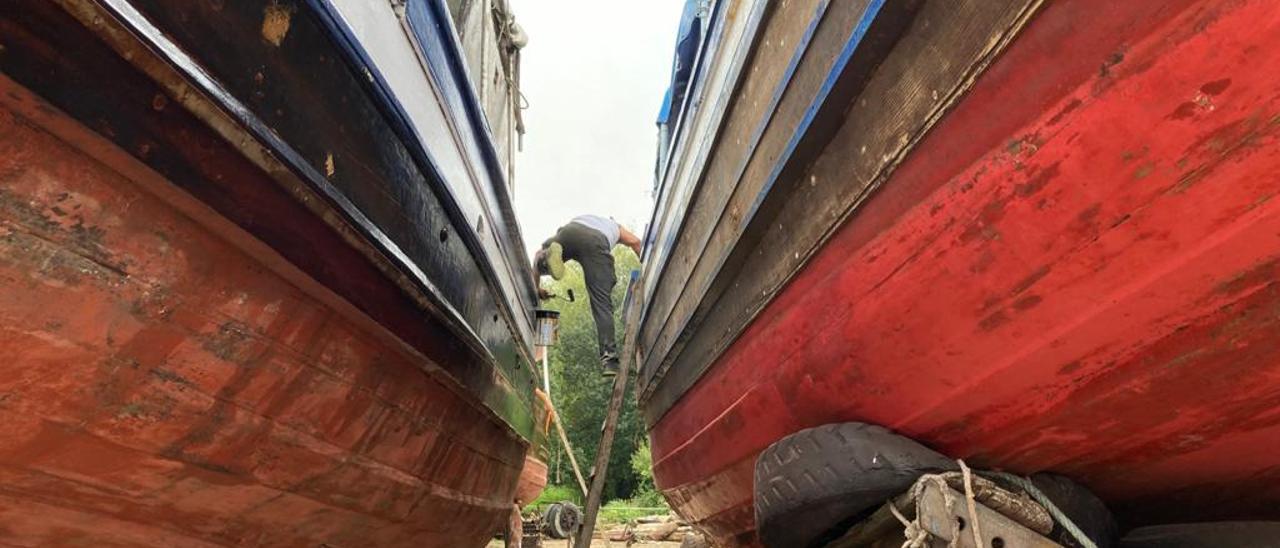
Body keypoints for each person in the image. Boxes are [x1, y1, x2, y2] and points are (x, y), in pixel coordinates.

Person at [533, 215, 642, 376]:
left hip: (569, 232)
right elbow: (636, 242)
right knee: (602, 301)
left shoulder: (592, 218)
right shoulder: (616, 228)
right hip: (595, 241)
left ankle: (545, 259)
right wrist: (646, 265)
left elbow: (535, 253)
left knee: (541, 255)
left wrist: (537, 288)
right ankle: (609, 360)